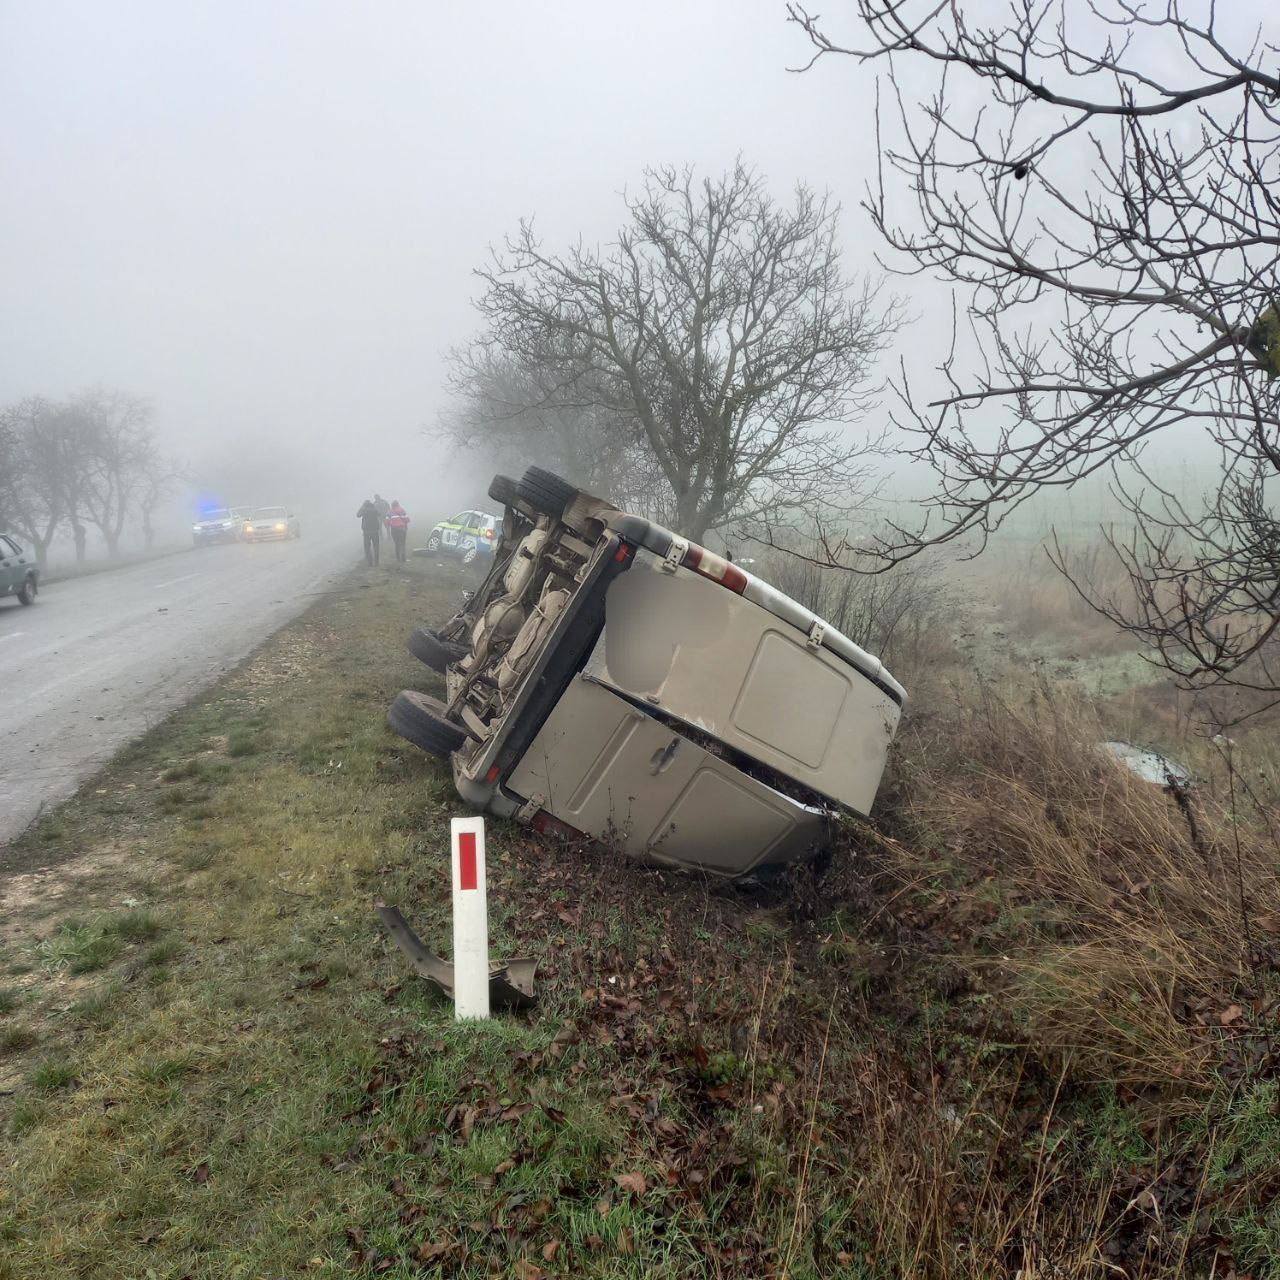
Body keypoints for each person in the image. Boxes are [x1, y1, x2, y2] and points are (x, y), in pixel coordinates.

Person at [357, 497, 381, 566]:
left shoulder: (364, 510)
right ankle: (376, 562)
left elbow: (358, 515)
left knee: (367, 547)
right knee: (376, 546)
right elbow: (379, 514)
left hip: (366, 532)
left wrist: (362, 507)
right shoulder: (374, 509)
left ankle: (370, 562)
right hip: (375, 531)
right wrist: (374, 507)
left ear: (364, 505)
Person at [385, 499, 410, 563]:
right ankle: (403, 559)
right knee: (402, 543)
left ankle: (398, 559)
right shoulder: (402, 510)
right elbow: (407, 519)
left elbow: (387, 522)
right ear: (398, 504)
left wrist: (391, 524)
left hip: (394, 529)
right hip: (402, 529)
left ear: (392, 505)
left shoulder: (389, 512)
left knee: (396, 544)